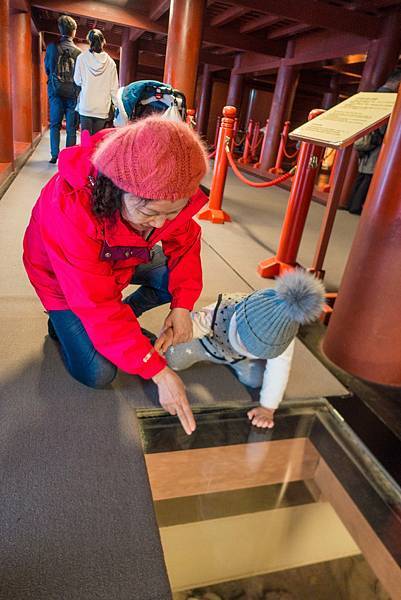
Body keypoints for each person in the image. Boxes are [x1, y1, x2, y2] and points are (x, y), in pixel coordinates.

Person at [23, 116, 209, 435]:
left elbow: (186, 244)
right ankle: (62, 323)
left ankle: (126, 325)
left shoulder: (170, 187)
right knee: (99, 373)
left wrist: (183, 306)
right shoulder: (70, 208)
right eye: (150, 214)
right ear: (114, 191)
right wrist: (158, 371)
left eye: (173, 213)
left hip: (123, 256)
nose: (163, 224)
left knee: (171, 279)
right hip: (63, 279)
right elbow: (97, 304)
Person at [164, 270, 325, 429]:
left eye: (259, 351)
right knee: (174, 359)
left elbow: (279, 369)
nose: (253, 350)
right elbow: (193, 325)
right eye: (250, 345)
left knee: (256, 380)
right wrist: (172, 336)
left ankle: (235, 362)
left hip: (237, 357)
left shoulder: (284, 337)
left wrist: (268, 408)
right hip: (208, 344)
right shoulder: (223, 310)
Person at [347, 70, 401, 215]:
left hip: (364, 139)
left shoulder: (373, 95)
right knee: (369, 176)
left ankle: (351, 203)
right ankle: (357, 206)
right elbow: (384, 127)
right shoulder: (391, 98)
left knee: (361, 175)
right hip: (377, 142)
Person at [44, 15, 81, 164]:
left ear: (60, 29)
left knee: (55, 124)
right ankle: (69, 158)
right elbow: (79, 77)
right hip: (72, 93)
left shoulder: (52, 48)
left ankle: (54, 155)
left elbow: (48, 69)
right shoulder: (79, 53)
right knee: (71, 127)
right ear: (74, 32)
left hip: (55, 91)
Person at [74, 29, 119, 135]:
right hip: (102, 109)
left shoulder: (82, 58)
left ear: (89, 41)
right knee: (96, 141)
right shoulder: (111, 63)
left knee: (85, 141)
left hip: (86, 106)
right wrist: (118, 108)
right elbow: (113, 89)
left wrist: (87, 83)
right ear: (103, 41)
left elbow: (77, 80)